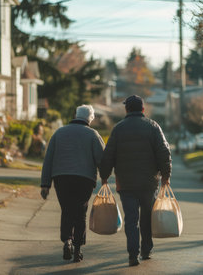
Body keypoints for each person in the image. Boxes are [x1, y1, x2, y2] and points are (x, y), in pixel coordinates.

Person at [100, 95, 172, 267]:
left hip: (126, 183)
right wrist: (166, 176)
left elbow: (108, 155)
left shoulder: (118, 129)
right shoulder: (153, 127)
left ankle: (133, 253)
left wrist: (104, 175)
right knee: (146, 217)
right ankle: (146, 249)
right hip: (149, 183)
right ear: (143, 109)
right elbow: (164, 152)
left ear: (126, 109)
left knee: (131, 219)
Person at [40, 105, 105, 262]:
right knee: (80, 212)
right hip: (84, 179)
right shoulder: (93, 135)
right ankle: (77, 249)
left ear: (76, 115)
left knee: (67, 210)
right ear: (90, 118)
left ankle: (67, 240)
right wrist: (105, 178)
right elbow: (102, 159)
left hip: (61, 178)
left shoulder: (59, 133)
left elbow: (48, 159)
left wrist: (45, 184)